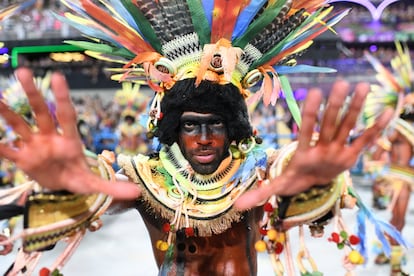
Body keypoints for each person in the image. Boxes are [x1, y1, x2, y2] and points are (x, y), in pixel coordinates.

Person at [0, 1, 404, 276]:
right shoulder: (149, 180)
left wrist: (315, 177)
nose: (206, 138)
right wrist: (70, 180)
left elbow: (287, 179)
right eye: (191, 125)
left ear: (235, 129)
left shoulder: (253, 174)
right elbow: (100, 190)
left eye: (217, 125)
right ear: (174, 129)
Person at [363, 44, 414, 276]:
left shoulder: (402, 128)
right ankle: (395, 268)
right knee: (398, 221)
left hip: (403, 177)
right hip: (399, 178)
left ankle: (384, 253)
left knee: (396, 219)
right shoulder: (401, 129)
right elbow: (383, 144)